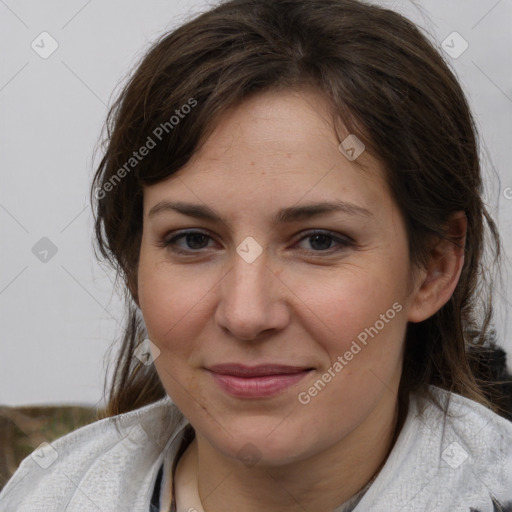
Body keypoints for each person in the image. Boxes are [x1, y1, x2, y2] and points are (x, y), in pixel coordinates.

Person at [1, 0, 511, 510]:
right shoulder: (44, 496)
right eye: (193, 240)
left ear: (434, 269)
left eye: (319, 241)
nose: (246, 314)